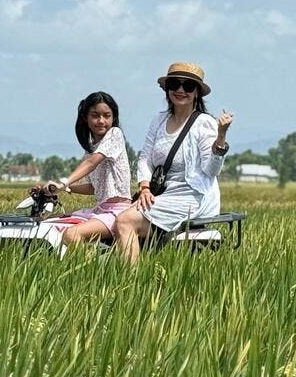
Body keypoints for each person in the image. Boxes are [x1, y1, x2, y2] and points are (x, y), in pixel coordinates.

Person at [113, 62, 233, 264]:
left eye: (188, 86)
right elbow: (145, 158)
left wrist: (220, 138)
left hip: (193, 195)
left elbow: (211, 171)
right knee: (120, 217)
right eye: (175, 84)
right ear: (167, 89)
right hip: (163, 193)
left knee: (125, 221)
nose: (180, 90)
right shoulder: (159, 120)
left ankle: (130, 282)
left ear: (197, 93)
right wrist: (144, 187)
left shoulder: (204, 123)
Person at [39, 91, 133, 246]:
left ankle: (90, 269)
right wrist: (64, 189)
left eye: (107, 116)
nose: (101, 121)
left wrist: (63, 183)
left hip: (118, 212)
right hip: (100, 210)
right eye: (95, 115)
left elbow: (91, 164)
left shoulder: (115, 134)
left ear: (114, 118)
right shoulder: (91, 149)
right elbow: (92, 188)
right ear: (85, 118)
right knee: (52, 220)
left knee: (72, 234)